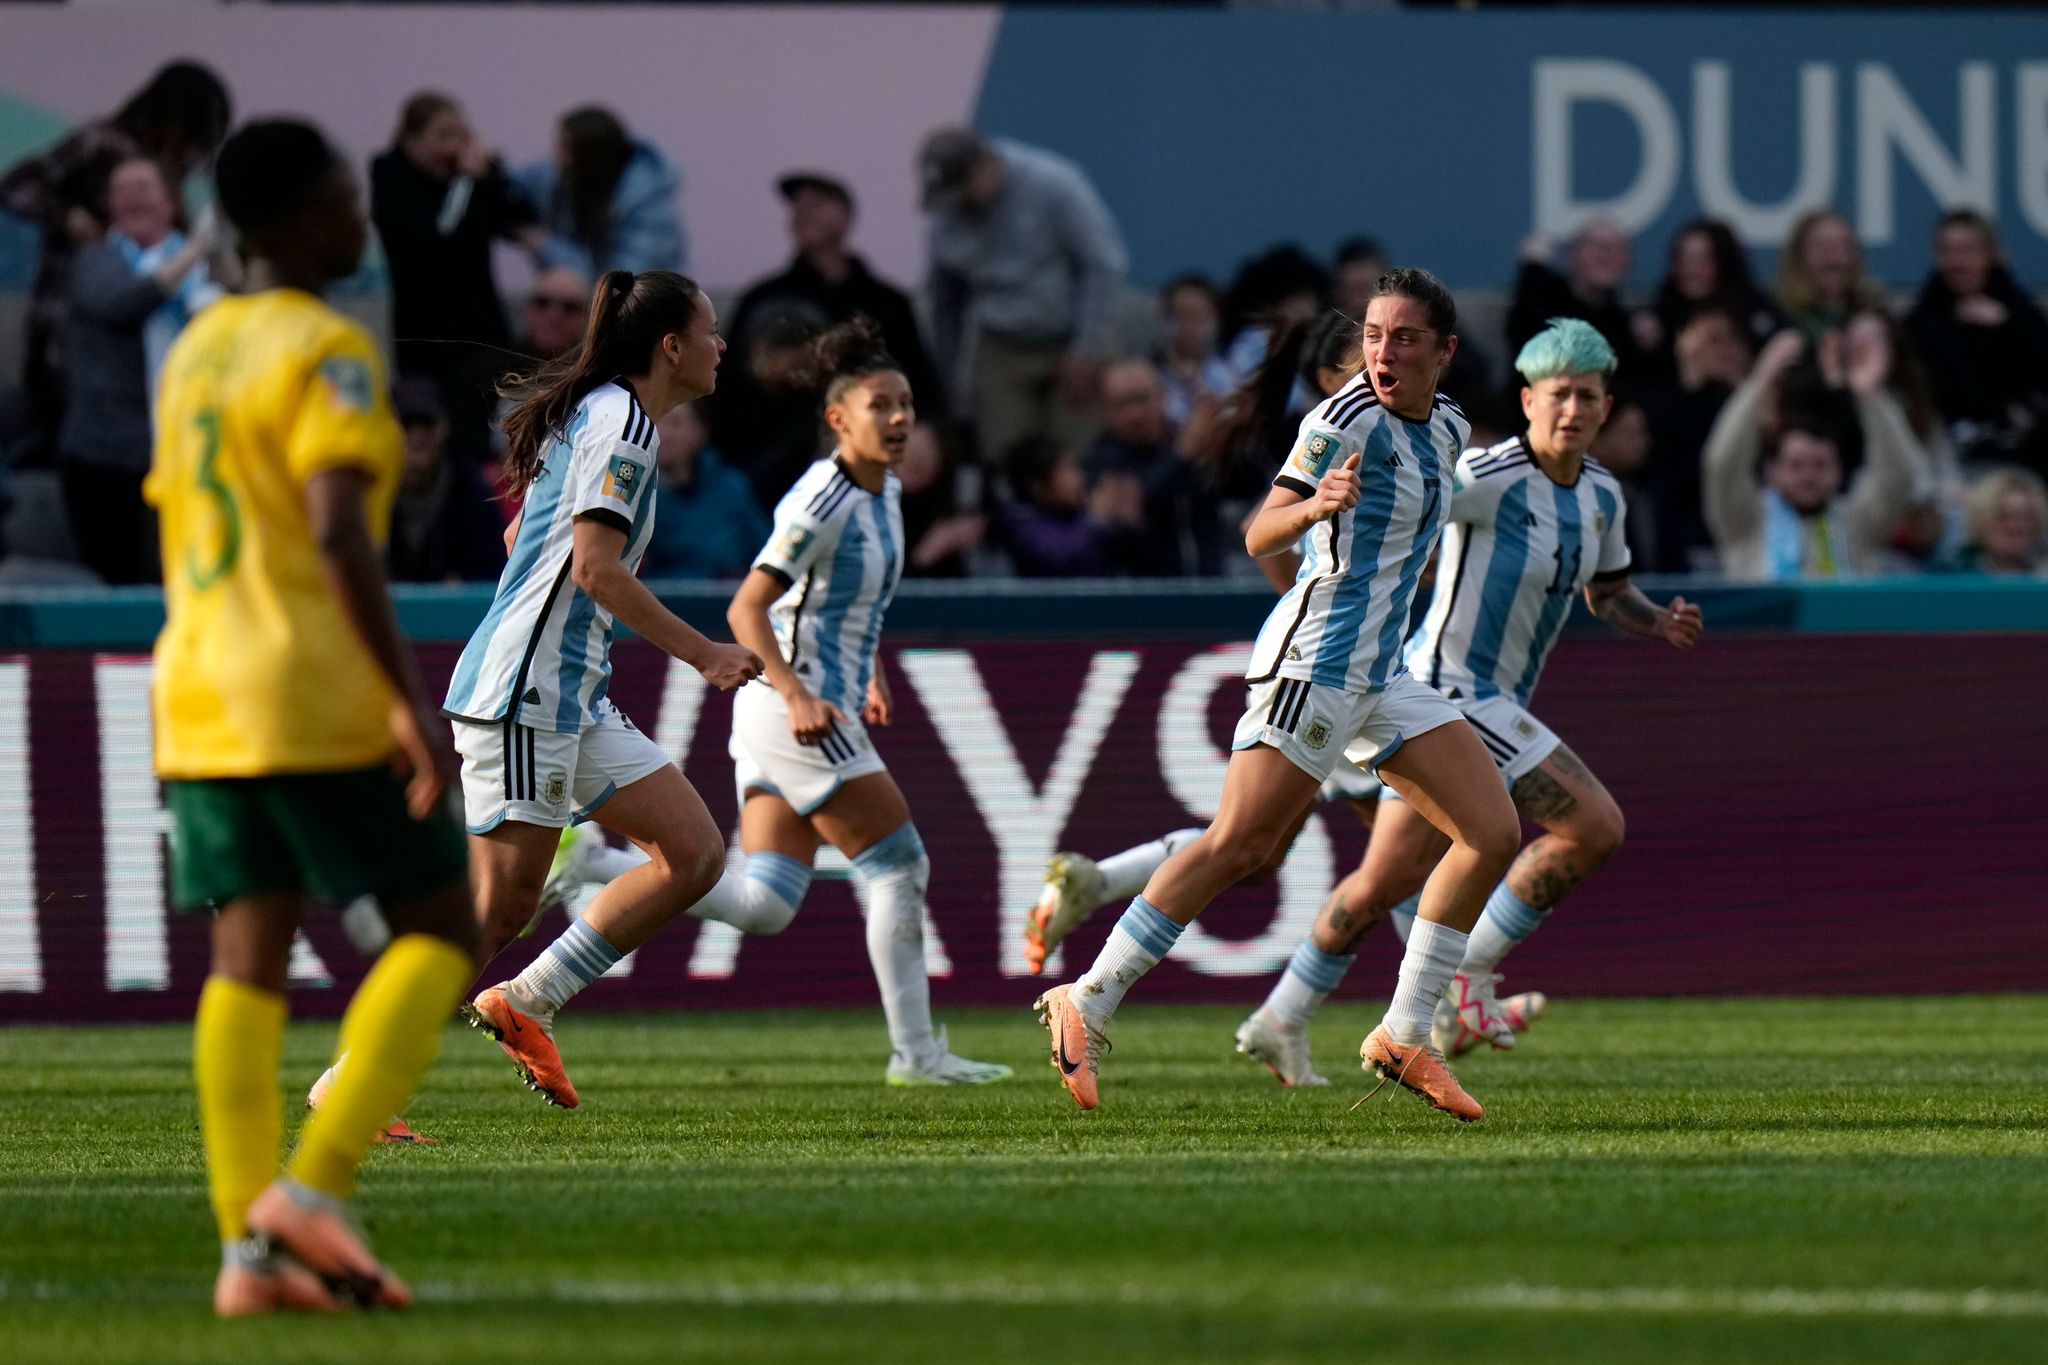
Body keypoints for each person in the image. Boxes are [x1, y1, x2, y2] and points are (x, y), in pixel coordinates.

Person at [1033, 269, 1519, 1122]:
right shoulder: (1341, 420)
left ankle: (1406, 1033)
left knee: (1492, 831)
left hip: (1383, 675)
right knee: (1241, 846)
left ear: (1445, 351)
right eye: (1374, 335)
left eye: (1405, 338)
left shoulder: (1446, 427)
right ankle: (1090, 995)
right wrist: (1314, 506)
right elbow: (1261, 527)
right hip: (1313, 666)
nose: (1384, 353)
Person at [484, 319, 1011, 1090]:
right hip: (796, 709)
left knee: (766, 901)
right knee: (900, 863)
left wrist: (868, 671)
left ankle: (592, 859)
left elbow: (839, 604)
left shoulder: (886, 490)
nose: (900, 419)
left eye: (906, 405)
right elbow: (749, 607)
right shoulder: (822, 498)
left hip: (807, 704)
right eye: (880, 405)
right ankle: (916, 1055)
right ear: (837, 418)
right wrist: (795, 691)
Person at [150, 117, 476, 1317]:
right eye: (345, 198)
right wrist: (404, 698)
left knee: (246, 958)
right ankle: (316, 1184)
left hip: (199, 688)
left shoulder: (197, 347)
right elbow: (336, 526)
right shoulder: (326, 348)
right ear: (294, 221)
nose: (362, 218)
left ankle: (250, 1259)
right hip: (305, 686)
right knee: (444, 928)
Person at [1233, 319, 1702, 1086]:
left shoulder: (1601, 497)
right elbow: (1397, 511)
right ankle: (1464, 975)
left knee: (1384, 881)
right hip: (1447, 687)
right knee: (1594, 825)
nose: (1571, 410)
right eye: (1558, 395)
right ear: (1528, 400)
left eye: (1587, 397)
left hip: (1479, 700)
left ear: (1606, 408)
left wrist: (1658, 621)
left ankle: (1279, 1017)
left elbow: (1608, 591)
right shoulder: (1485, 473)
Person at [442, 269, 764, 1109]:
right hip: (527, 693)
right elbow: (594, 569)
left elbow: (524, 534)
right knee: (499, 907)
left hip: (568, 694)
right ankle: (353, 1082)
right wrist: (704, 654)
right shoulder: (624, 425)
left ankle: (529, 998)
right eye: (710, 330)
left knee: (694, 854)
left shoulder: (601, 413)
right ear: (672, 347)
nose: (720, 344)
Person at [1022, 313, 1388, 979]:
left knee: (1257, 850)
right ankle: (1447, 998)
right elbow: (1259, 529)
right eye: (1367, 356)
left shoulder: (1377, 433)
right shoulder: (1337, 433)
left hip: (1345, 663)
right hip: (1329, 663)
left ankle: (1099, 883)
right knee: (1400, 837)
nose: (1385, 366)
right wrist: (1311, 603)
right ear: (1330, 377)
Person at [1, 60, 231, 437]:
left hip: (134, 353)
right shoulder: (102, 144)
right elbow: (17, 186)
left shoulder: (168, 168)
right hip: (68, 330)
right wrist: (66, 216)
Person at [920, 127, 1127, 468]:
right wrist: (948, 377)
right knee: (1005, 459)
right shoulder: (949, 209)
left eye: (962, 190)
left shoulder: (1054, 183)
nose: (957, 204)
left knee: (1078, 459)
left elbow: (1103, 266)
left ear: (986, 166)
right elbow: (946, 302)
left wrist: (1089, 348)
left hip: (1069, 344)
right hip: (1001, 348)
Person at [59, 157, 215, 584]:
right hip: (106, 458)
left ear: (170, 202)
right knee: (118, 583)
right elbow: (123, 303)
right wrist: (194, 252)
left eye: (143, 187)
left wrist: (217, 258)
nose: (131, 198)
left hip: (188, 448)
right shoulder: (95, 260)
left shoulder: (204, 268)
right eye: (120, 190)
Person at [372, 92, 538, 464]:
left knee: (482, 438)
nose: (453, 148)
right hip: (424, 337)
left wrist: (491, 174)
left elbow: (521, 218)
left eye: (461, 136)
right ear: (411, 138)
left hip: (481, 332)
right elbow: (438, 239)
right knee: (428, 440)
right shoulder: (392, 179)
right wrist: (465, 182)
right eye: (443, 136)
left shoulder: (472, 178)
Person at [1702, 324, 1929, 580]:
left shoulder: (1858, 523)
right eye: (1795, 465)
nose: (1808, 475)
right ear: (1772, 471)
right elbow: (1723, 463)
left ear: (1838, 472)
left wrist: (1870, 396)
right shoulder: (1746, 520)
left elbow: (1899, 474)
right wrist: (1760, 381)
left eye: (1820, 465)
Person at [726, 172, 941, 420]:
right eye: (797, 206)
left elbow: (919, 386)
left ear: (846, 217)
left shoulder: (887, 304)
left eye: (817, 203)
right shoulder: (762, 300)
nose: (803, 212)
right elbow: (728, 385)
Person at [1905, 209, 2048, 475]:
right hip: (1948, 459)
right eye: (1947, 252)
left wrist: (2007, 327)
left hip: (2023, 458)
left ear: (1991, 255)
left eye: (1968, 251)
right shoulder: (1920, 323)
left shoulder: (2023, 316)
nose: (1958, 263)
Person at [1082, 357, 1222, 575]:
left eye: (1141, 400)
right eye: (1120, 405)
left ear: (1163, 397)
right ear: (1105, 411)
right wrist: (1182, 455)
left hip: (1211, 583)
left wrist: (1229, 438)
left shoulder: (1190, 440)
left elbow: (1247, 485)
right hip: (1147, 589)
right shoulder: (1101, 460)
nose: (1134, 414)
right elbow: (1138, 503)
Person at [517, 107, 683, 278]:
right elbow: (521, 181)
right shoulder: (563, 176)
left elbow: (624, 282)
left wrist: (544, 243)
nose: (558, 159)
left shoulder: (648, 209)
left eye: (568, 150)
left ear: (594, 159)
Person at [385, 379, 507, 583]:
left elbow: (495, 572)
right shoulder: (367, 490)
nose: (417, 435)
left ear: (445, 427)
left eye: (427, 423)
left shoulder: (473, 491)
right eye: (406, 424)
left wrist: (465, 586)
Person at [638, 400, 769, 579]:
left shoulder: (732, 488)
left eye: (675, 423)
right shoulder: (635, 492)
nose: (664, 433)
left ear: (701, 430)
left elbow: (763, 550)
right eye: (656, 422)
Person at [1636, 218, 1779, 379]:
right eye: (1682, 259)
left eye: (1702, 259)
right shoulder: (1658, 318)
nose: (1690, 270)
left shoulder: (1756, 312)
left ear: (1724, 263)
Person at [1506, 220, 1644, 379]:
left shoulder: (1627, 326)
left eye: (1618, 249)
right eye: (1598, 246)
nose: (1606, 255)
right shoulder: (1543, 300)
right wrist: (1533, 272)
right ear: (1574, 253)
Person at [998, 436, 1145, 577]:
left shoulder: (1081, 514)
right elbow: (1061, 561)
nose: (1079, 479)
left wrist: (1130, 524)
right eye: (1067, 470)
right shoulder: (1021, 522)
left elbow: (1136, 562)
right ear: (1037, 485)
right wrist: (1096, 519)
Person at [1775, 209, 1881, 341]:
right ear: (1798, 256)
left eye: (1843, 246)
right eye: (1821, 247)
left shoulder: (1874, 318)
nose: (1833, 258)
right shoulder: (1776, 319)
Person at [1155, 274, 1234, 427]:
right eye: (1181, 316)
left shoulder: (1229, 376)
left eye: (1198, 317)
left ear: (1216, 320)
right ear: (1165, 319)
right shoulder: (1149, 375)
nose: (1189, 326)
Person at [1944, 468, 2048, 575]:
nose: (2015, 526)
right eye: (2003, 516)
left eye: (2026, 517)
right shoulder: (1950, 571)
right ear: (1980, 521)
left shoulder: (2043, 572)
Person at [513, 266, 593, 367]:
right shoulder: (497, 368)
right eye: (543, 303)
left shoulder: (598, 373)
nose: (553, 317)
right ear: (528, 310)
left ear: (588, 319)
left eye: (570, 308)